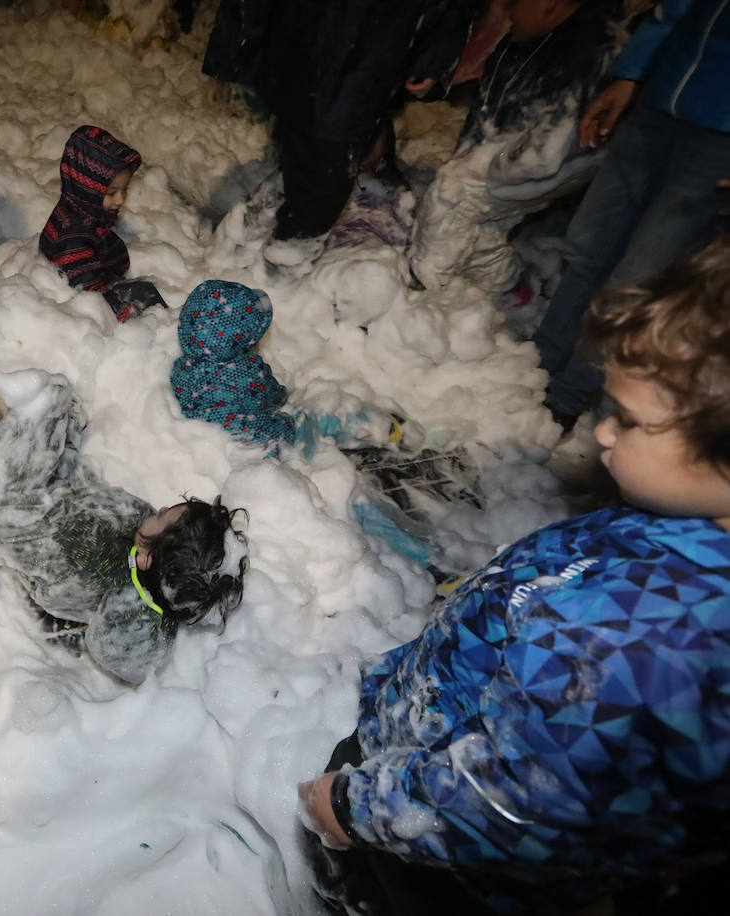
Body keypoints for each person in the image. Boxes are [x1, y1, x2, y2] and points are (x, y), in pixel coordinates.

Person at [296, 236, 730, 915]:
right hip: (446, 718)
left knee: (384, 891)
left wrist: (351, 808)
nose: (606, 435)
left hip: (443, 845)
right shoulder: (692, 523)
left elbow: (503, 804)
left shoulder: (641, 649)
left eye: (633, 421)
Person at [169, 280, 478, 576]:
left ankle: (424, 552)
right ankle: (424, 553)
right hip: (274, 446)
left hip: (241, 451)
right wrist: (278, 402)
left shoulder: (184, 370)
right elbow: (273, 395)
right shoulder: (246, 372)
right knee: (343, 483)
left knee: (341, 481)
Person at [0, 367, 248, 684]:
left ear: (147, 559)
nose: (160, 508)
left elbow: (123, 656)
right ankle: (49, 427)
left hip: (57, 563)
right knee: (68, 472)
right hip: (80, 512)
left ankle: (33, 412)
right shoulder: (143, 529)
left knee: (6, 508)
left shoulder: (133, 621)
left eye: (163, 516)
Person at [534, 0, 730, 426]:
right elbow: (675, 8)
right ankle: (537, 367)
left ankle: (567, 398)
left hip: (721, 138)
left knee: (639, 275)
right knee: (588, 244)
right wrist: (632, 72)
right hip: (659, 101)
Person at [209, 0, 481, 270]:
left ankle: (272, 244)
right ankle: (280, 262)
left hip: (362, 43)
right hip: (324, 41)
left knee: (322, 143)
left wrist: (434, 54)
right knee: (320, 158)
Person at [409, 0, 625, 296]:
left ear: (548, 5)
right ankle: (495, 278)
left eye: (514, 4)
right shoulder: (525, 41)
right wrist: (467, 152)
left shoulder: (588, 53)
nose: (507, 13)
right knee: (479, 213)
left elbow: (546, 155)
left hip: (550, 167)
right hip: (512, 159)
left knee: (449, 199)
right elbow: (486, 108)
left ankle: (429, 286)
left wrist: (480, 172)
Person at [38, 125, 168, 322]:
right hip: (86, 295)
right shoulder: (72, 238)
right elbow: (88, 289)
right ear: (86, 188)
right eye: (111, 193)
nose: (121, 199)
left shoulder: (81, 208)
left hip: (98, 271)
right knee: (145, 296)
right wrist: (124, 313)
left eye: (125, 190)